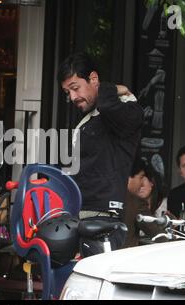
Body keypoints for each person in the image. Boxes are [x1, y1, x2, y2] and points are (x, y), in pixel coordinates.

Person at [57, 52, 144, 256]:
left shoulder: (126, 109)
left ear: (93, 79)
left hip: (103, 220)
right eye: (67, 92)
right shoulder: (89, 116)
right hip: (79, 216)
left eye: (75, 88)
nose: (72, 97)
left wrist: (111, 88)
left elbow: (108, 105)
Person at [123, 158, 166, 248]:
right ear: (129, 176)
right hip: (125, 259)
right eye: (141, 177)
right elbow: (158, 235)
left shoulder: (104, 195)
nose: (141, 183)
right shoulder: (136, 202)